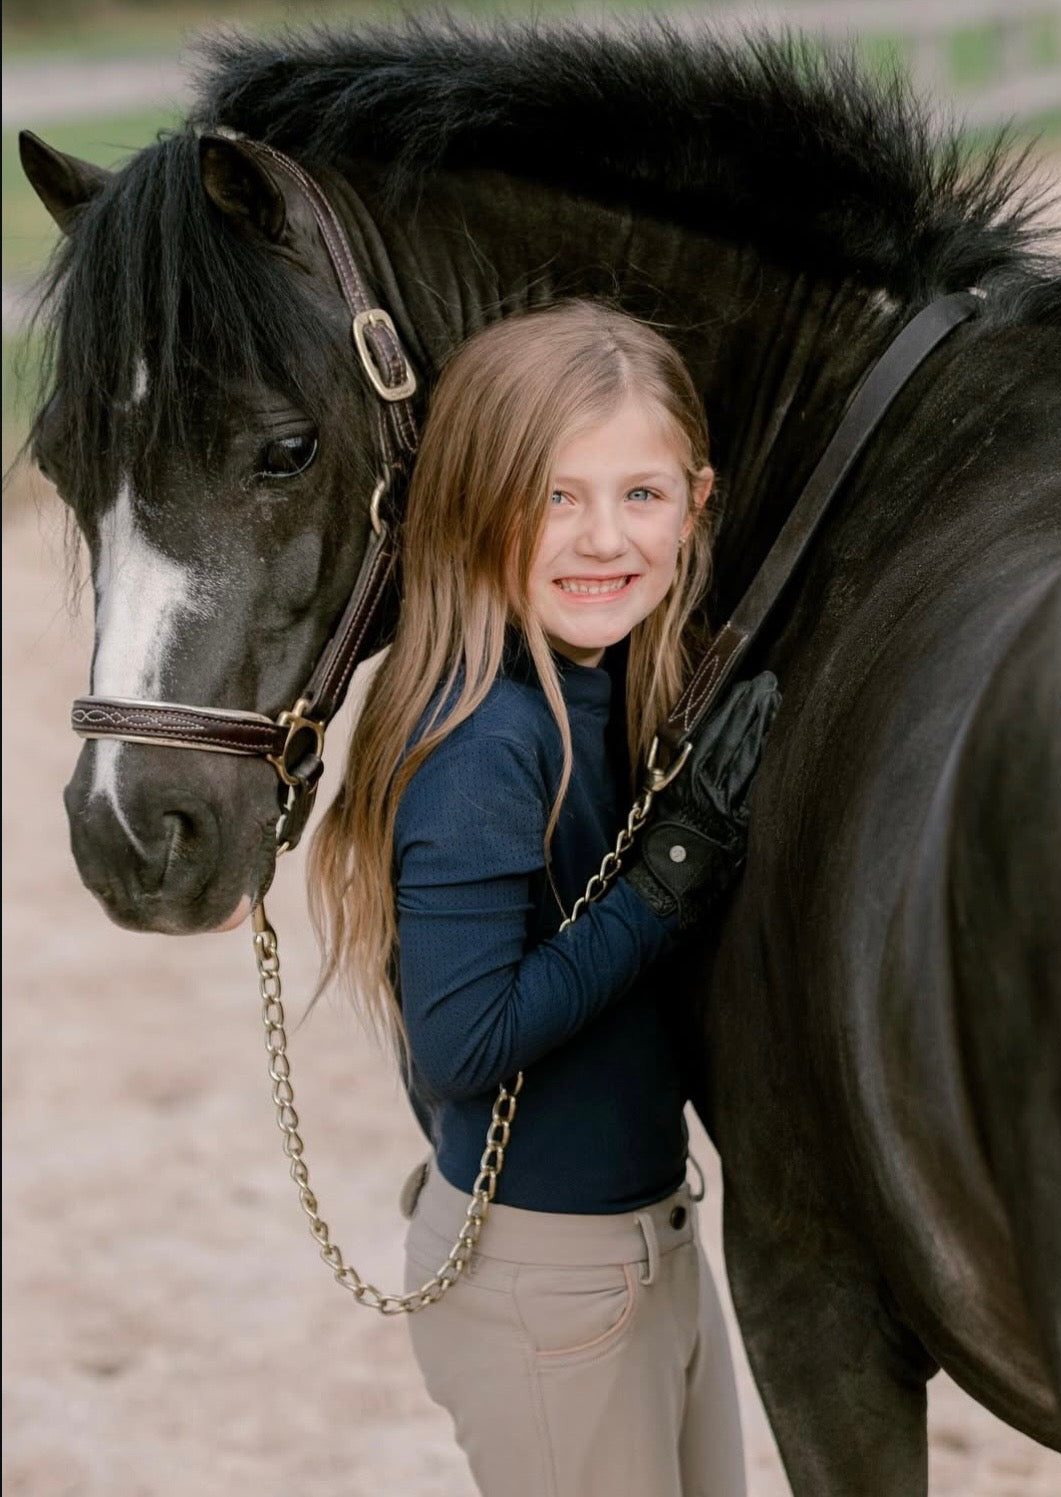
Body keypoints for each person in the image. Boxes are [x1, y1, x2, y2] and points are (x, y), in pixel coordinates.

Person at [310, 301, 779, 1497]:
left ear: (700, 501)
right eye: (554, 496)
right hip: (548, 1280)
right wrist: (668, 880)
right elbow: (464, 1042)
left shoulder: (609, 684)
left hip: (652, 1244)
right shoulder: (487, 736)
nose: (602, 538)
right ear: (476, 507)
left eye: (642, 495)